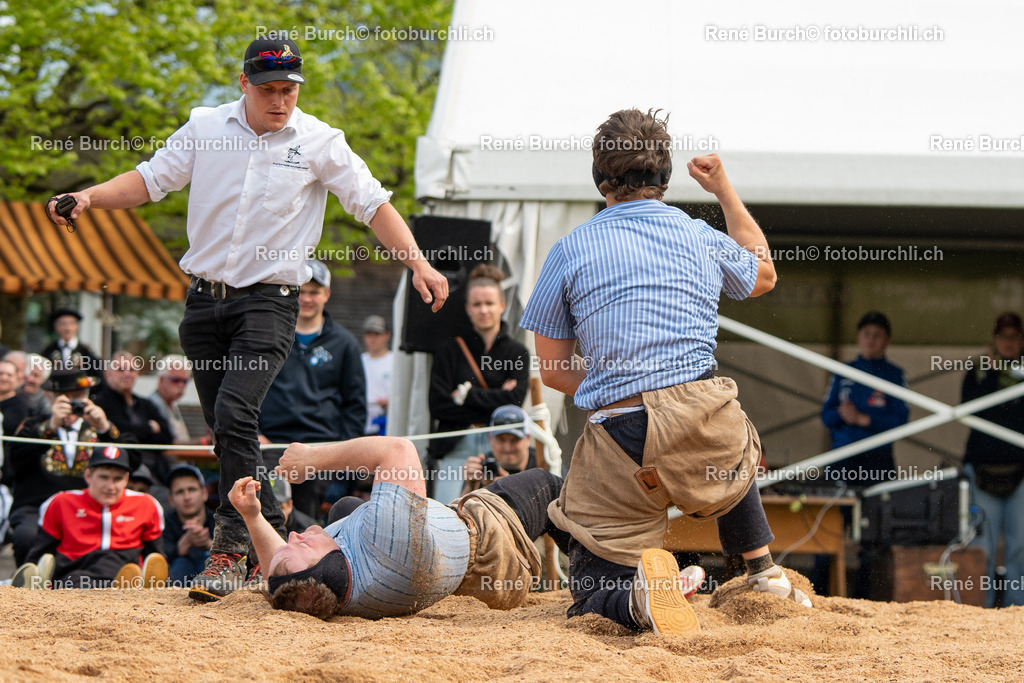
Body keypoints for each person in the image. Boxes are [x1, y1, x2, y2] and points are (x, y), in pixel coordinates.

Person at [46, 36, 448, 601]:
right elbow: (150, 180)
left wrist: (418, 263)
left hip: (269, 301)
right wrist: (90, 196)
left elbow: (373, 204)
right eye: (268, 90)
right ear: (244, 83)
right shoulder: (205, 126)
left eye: (289, 90)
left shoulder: (319, 140)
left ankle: (231, 546)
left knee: (236, 411)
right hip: (203, 302)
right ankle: (273, 534)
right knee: (227, 431)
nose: (280, 101)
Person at [520, 109, 809, 636]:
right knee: (721, 415)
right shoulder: (699, 235)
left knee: (589, 593)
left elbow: (555, 373)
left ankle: (637, 600)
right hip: (708, 436)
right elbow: (764, 274)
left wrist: (618, 386)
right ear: (666, 176)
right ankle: (762, 569)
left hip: (623, 445)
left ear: (599, 178)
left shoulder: (569, 249)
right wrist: (724, 190)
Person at [231, 434, 568, 621]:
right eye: (301, 545)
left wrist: (252, 515)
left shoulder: (328, 585)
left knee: (345, 507)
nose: (293, 535)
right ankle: (593, 583)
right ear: (327, 569)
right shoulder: (388, 545)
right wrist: (312, 459)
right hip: (491, 548)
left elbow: (281, 577)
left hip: (434, 568)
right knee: (549, 486)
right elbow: (399, 449)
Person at [259, 260, 367, 518]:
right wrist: (255, 435)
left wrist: (341, 453)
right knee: (267, 517)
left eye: (314, 292)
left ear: (326, 294)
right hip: (271, 447)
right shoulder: (268, 336)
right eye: (302, 291)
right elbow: (246, 392)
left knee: (310, 525)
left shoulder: (345, 343)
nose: (307, 298)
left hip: (320, 450)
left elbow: (355, 405)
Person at [7, 368, 134, 566]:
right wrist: (50, 427)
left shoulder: (99, 426)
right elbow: (14, 463)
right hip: (37, 505)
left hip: (89, 507)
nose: (72, 405)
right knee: (26, 536)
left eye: (77, 397)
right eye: (64, 398)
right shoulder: (33, 425)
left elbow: (133, 461)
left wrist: (105, 428)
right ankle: (29, 581)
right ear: (49, 397)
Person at [428, 265, 530, 503]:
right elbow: (438, 406)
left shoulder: (517, 352)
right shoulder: (449, 350)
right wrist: (497, 396)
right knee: (446, 510)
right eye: (477, 304)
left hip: (502, 445)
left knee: (499, 511)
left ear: (502, 305)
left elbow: (514, 403)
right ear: (468, 308)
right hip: (455, 445)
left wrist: (466, 395)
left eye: (489, 303)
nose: (484, 310)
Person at [12, 445, 166, 589]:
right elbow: (39, 552)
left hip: (123, 569)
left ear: (126, 479)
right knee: (70, 579)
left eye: (117, 479)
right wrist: (30, 576)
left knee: (130, 571)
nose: (110, 487)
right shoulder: (61, 502)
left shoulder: (147, 505)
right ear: (88, 476)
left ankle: (136, 590)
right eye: (104, 477)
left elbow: (156, 556)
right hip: (75, 572)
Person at [962, 312, 1024, 608]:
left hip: (1021, 473)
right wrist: (992, 373)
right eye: (1002, 336)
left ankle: (1017, 610)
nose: (1008, 342)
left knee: (1019, 546)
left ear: (1022, 340)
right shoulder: (977, 370)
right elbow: (970, 412)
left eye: (1014, 336)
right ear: (994, 340)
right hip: (982, 470)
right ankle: (980, 610)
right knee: (982, 546)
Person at [820, 311, 909, 488]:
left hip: (878, 456)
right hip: (842, 454)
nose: (871, 339)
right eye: (866, 334)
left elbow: (901, 420)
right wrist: (842, 414)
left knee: (877, 505)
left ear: (888, 340)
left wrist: (864, 419)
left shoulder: (895, 375)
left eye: (877, 335)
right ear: (858, 338)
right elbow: (825, 416)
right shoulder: (842, 371)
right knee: (838, 505)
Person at [91, 350, 173, 485]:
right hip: (119, 471)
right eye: (120, 370)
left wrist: (135, 431)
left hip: (156, 470)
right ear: (108, 373)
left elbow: (167, 437)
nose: (127, 374)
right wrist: (149, 428)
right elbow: (119, 432)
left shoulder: (145, 404)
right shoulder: (100, 403)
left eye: (132, 370)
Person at [461, 405, 536, 495]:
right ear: (490, 439)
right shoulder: (483, 466)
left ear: (528, 439)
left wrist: (508, 487)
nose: (507, 447)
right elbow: (460, 504)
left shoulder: (542, 463)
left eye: (515, 439)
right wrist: (470, 486)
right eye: (501, 439)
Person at [162, 464, 215, 586]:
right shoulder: (164, 524)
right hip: (176, 578)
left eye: (192, 489)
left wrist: (208, 544)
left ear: (204, 493)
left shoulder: (220, 521)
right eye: (180, 492)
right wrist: (179, 549)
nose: (187, 497)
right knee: (181, 563)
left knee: (207, 561)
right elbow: (157, 559)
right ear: (171, 500)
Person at [148, 355, 196, 445]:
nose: (181, 385)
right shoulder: (152, 405)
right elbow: (167, 445)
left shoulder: (172, 403)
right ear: (161, 380)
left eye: (185, 381)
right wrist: (203, 441)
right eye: (175, 380)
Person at [40, 308, 103, 373]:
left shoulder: (86, 351)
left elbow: (97, 374)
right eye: (63, 324)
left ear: (77, 327)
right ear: (56, 327)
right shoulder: (49, 350)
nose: (68, 328)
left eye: (72, 323)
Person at [361, 315, 393, 435]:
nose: (373, 339)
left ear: (387, 335)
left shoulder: (396, 362)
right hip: (362, 425)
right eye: (369, 334)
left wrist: (391, 402)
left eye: (377, 334)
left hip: (388, 425)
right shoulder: (358, 361)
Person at [19, 354, 53, 420]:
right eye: (27, 373)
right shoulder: (12, 393)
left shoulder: (45, 404)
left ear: (44, 380)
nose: (29, 379)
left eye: (35, 375)